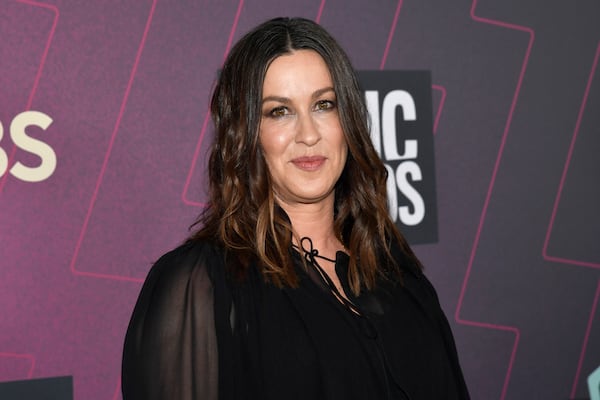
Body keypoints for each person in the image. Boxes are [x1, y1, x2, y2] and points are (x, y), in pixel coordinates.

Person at [121, 17, 470, 400]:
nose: (308, 134)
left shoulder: (393, 268)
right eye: (279, 111)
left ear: (348, 120)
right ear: (246, 133)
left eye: (324, 105)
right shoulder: (200, 284)